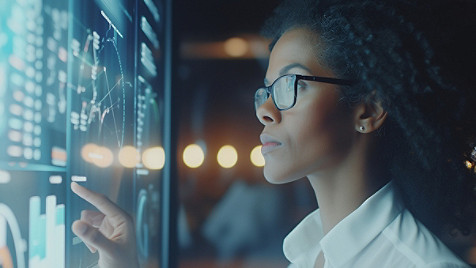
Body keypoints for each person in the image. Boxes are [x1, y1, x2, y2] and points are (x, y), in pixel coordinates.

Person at [72, 0, 476, 267]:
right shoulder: (309, 252)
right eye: (265, 90)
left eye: (290, 85)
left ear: (368, 110)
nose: (265, 111)